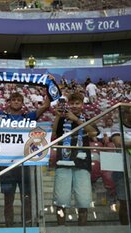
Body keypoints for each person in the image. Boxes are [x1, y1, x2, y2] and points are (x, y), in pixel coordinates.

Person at [0, 92, 51, 227]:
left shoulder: (29, 117)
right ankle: (9, 227)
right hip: (7, 164)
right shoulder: (3, 116)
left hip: (26, 165)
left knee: (27, 199)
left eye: (19, 100)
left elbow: (46, 106)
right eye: (13, 99)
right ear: (9, 102)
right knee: (8, 199)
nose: (16, 102)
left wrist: (50, 85)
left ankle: (27, 226)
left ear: (22, 103)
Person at [52, 92, 99, 226]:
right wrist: (57, 116)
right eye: (71, 103)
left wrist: (77, 120)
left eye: (77, 103)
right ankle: (61, 229)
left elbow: (93, 133)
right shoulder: (61, 119)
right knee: (61, 201)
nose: (74, 106)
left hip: (82, 164)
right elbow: (53, 134)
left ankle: (82, 229)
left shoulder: (88, 119)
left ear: (82, 105)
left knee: (83, 202)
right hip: (63, 163)